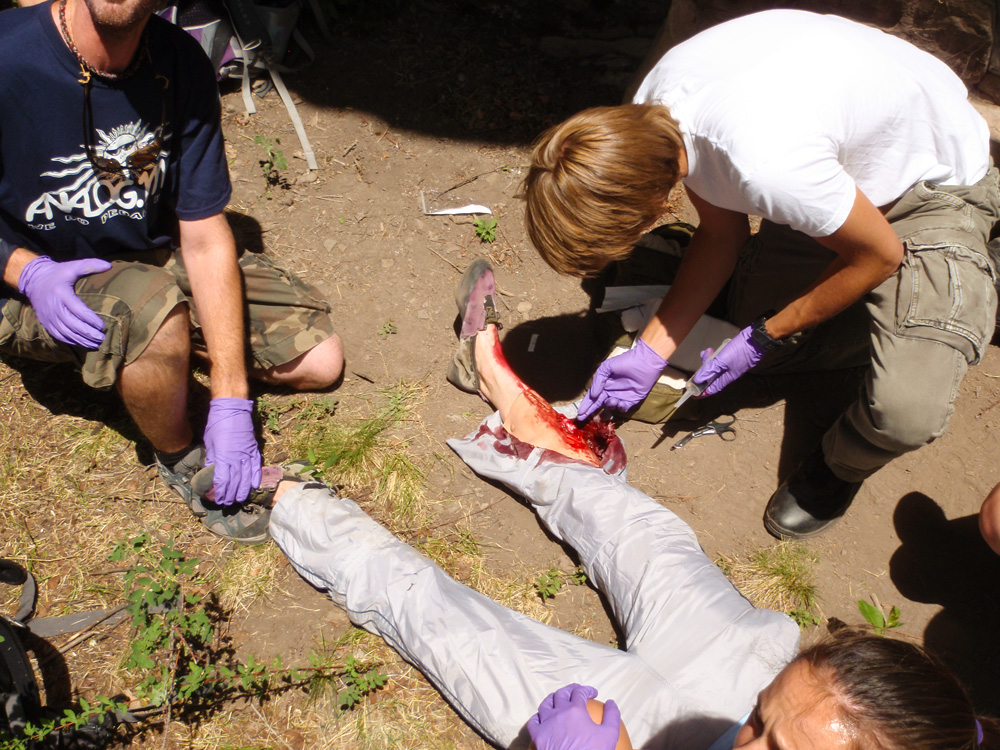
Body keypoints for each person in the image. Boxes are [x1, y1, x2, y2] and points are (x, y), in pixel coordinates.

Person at [249, 261, 994, 750]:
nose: (743, 742)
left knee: (451, 630)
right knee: (637, 530)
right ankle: (520, 417)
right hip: (728, 663)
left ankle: (284, 500)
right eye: (763, 722)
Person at [522, 9, 1000, 540]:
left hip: (931, 182)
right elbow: (722, 236)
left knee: (905, 410)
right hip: (841, 169)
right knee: (749, 326)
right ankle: (907, 307)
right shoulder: (649, 117)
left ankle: (848, 455)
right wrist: (650, 351)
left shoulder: (765, 165)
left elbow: (879, 255)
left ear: (656, 205)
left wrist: (767, 335)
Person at [0, 0, 343, 543]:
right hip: (27, 278)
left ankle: (159, 352)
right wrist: (24, 269)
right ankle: (180, 454)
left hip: (143, 247)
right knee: (150, 310)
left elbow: (205, 237)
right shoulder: (8, 55)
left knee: (319, 361)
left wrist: (231, 395)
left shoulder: (180, 62)